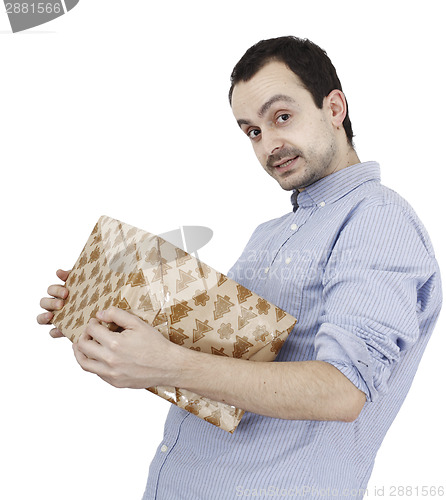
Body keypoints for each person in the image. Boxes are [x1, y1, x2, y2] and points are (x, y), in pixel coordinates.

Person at [37, 36, 442, 499]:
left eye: (281, 117)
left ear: (334, 108)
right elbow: (217, 372)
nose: (269, 144)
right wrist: (115, 326)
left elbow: (341, 390)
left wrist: (168, 363)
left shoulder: (377, 218)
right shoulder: (269, 233)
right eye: (252, 131)